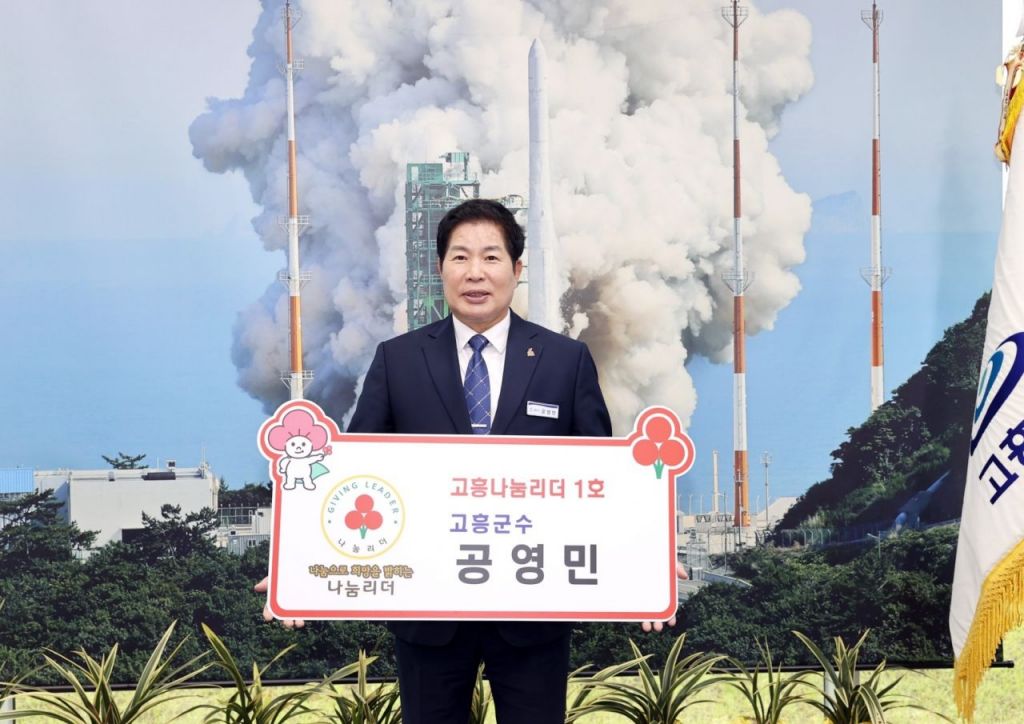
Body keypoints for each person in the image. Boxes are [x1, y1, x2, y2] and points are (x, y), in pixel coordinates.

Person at [256, 198, 684, 723]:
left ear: (517, 269)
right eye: (460, 257)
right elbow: (354, 474)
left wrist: (644, 556)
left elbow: (602, 483)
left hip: (533, 615)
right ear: (441, 268)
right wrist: (297, 566)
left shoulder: (565, 361)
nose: (475, 272)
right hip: (427, 614)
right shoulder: (398, 359)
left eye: (491, 257)